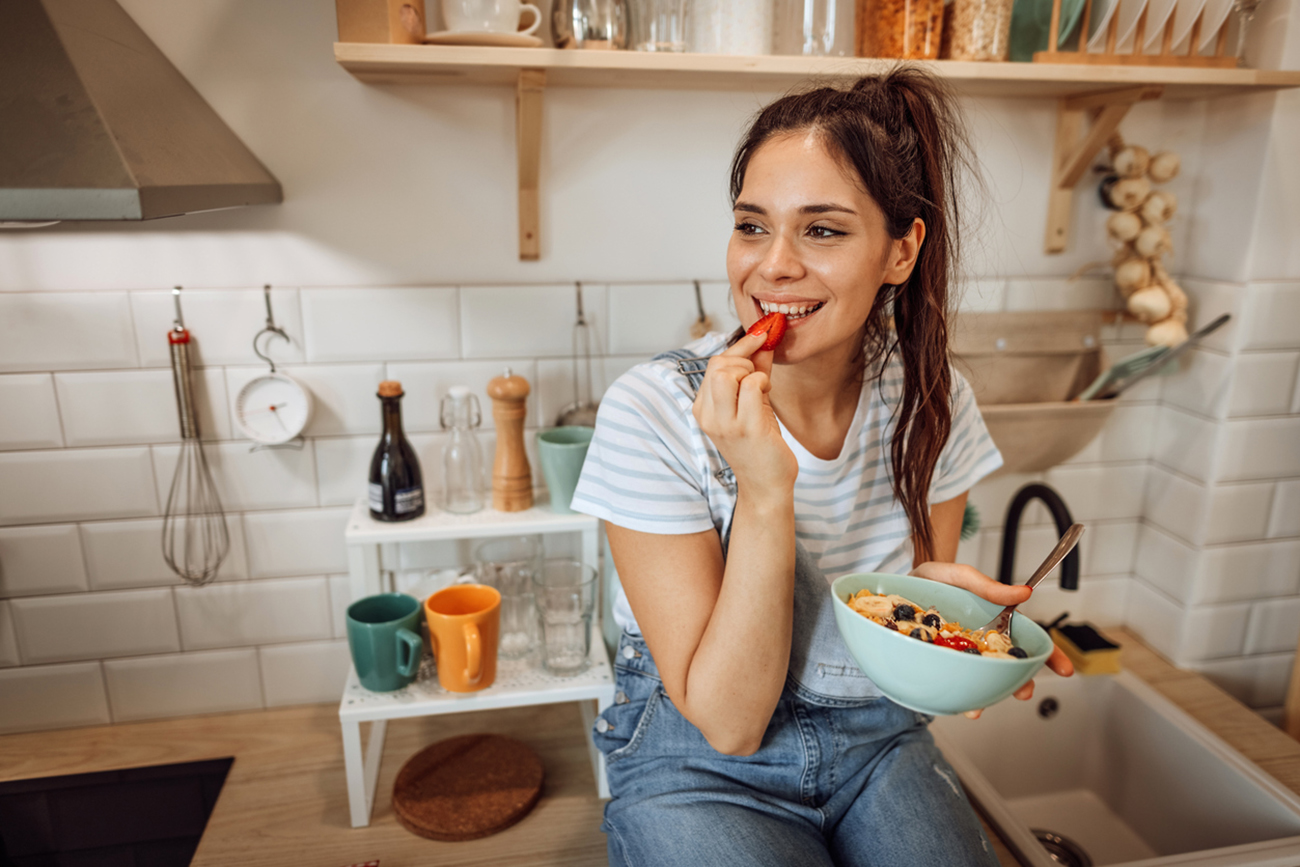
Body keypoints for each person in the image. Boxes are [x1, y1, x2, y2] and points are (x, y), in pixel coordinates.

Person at [570, 66, 1074, 867]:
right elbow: (728, 719)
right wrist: (765, 488)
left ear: (901, 251)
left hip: (878, 739)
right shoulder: (653, 413)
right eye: (751, 225)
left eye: (823, 230)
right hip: (700, 763)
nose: (772, 267)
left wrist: (953, 637)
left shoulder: (928, 403)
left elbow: (904, 612)